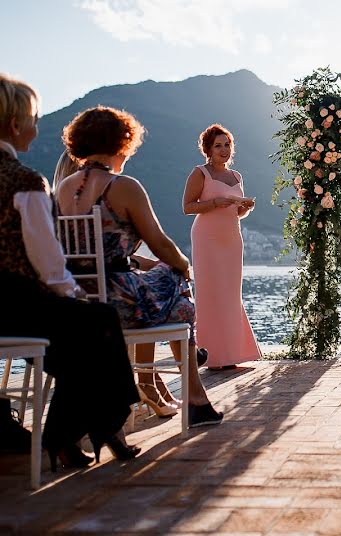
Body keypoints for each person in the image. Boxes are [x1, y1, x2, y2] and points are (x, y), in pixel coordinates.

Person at [0, 74, 140, 468]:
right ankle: (94, 428)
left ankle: (77, 434)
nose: (36, 127)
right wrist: (75, 295)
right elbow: (49, 264)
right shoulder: (25, 183)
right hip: (16, 305)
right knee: (98, 325)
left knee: (89, 337)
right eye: (34, 118)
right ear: (15, 125)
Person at [56, 106, 224, 428]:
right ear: (122, 142)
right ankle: (195, 396)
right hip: (117, 300)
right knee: (176, 284)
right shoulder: (122, 187)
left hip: (79, 300)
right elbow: (160, 243)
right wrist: (184, 265)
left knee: (174, 299)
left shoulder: (64, 189)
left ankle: (180, 392)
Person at [182, 124, 259, 370]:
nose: (224, 150)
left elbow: (236, 213)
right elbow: (187, 206)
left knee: (230, 294)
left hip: (231, 239)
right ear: (208, 149)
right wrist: (215, 202)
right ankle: (210, 355)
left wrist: (244, 208)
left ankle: (232, 354)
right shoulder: (199, 173)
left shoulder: (237, 177)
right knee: (209, 293)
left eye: (227, 145)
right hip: (206, 237)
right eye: (218, 145)